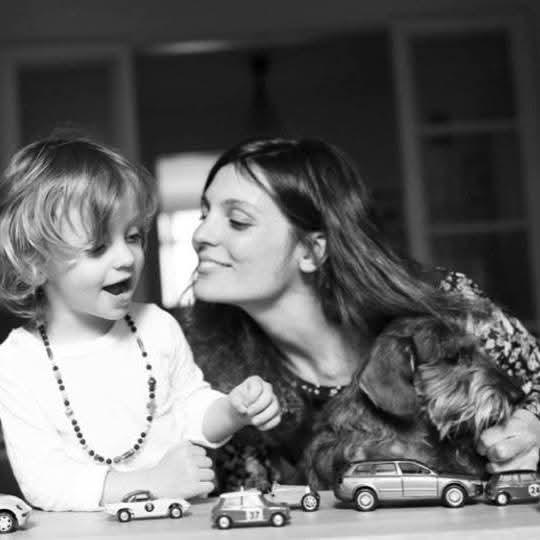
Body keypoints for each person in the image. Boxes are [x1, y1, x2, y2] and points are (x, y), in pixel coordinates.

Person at [179, 137, 540, 492]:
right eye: (204, 214)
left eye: (237, 221)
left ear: (311, 250)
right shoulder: (207, 378)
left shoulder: (447, 306)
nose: (200, 234)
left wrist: (532, 426)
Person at [0, 136, 281, 511]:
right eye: (98, 247)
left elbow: (190, 409)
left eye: (133, 237)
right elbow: (45, 483)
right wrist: (150, 484)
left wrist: (233, 411)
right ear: (34, 263)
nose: (126, 258)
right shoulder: (17, 363)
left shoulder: (157, 327)